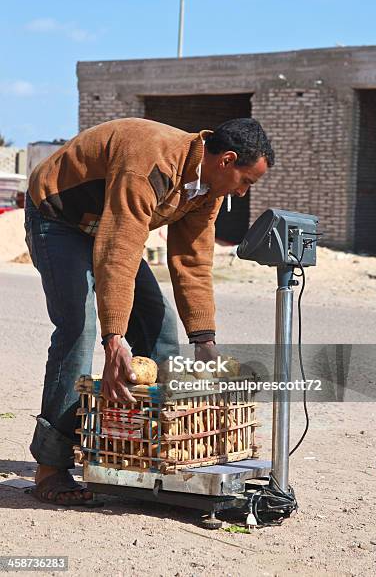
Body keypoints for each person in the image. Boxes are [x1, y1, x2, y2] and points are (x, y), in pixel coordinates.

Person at [25, 116, 274, 505]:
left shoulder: (208, 190)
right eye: (247, 181)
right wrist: (115, 340)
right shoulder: (151, 161)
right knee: (79, 329)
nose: (243, 193)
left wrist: (205, 342)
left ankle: (152, 453)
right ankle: (51, 466)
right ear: (227, 160)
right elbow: (119, 248)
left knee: (159, 327)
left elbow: (191, 261)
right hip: (59, 217)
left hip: (110, 226)